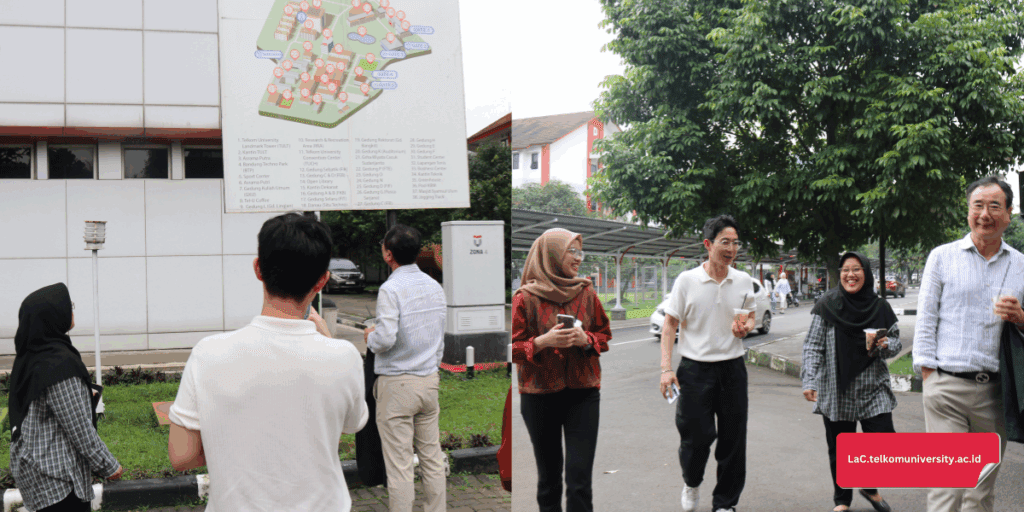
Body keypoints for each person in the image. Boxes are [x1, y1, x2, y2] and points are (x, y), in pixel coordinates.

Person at [167, 212, 368, 511]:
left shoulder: (209, 353)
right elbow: (346, 425)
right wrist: (326, 340)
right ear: (322, 280)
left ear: (258, 269)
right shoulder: (344, 356)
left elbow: (182, 456)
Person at [914, 176, 1024, 512]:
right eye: (978, 205)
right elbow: (925, 317)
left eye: (994, 206)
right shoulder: (942, 257)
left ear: (1008, 214)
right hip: (946, 387)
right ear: (968, 212)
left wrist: (1020, 317)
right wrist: (929, 375)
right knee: (946, 490)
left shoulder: (1021, 264)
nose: (985, 213)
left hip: (995, 392)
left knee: (980, 491)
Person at [659, 215, 753, 512]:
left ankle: (725, 503)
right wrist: (666, 369)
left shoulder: (743, 280)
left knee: (733, 441)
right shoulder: (687, 280)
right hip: (695, 369)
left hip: (733, 368)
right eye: (725, 242)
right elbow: (670, 324)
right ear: (708, 244)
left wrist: (746, 327)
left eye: (735, 242)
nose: (731, 248)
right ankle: (692, 481)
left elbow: (749, 314)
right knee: (695, 437)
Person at [512, 228, 611, 512]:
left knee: (580, 480)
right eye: (572, 251)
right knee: (549, 479)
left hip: (584, 393)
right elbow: (513, 349)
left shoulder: (586, 292)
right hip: (539, 395)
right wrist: (542, 342)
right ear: (553, 253)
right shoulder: (526, 297)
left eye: (580, 252)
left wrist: (587, 339)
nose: (578, 258)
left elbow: (604, 336)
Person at [9, 283, 123, 512]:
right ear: (53, 315)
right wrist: (109, 466)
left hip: (35, 471)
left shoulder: (33, 355)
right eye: (68, 306)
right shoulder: (59, 364)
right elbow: (80, 429)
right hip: (56, 478)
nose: (71, 310)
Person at [801, 252, 900, 512]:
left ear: (866, 274)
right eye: (845, 269)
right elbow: (813, 345)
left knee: (884, 441)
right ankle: (842, 501)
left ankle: (868, 485)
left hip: (872, 387)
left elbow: (896, 342)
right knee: (840, 448)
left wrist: (886, 345)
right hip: (836, 388)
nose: (850, 274)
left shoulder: (881, 308)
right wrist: (809, 380)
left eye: (857, 269)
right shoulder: (827, 304)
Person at [364, 224, 448, 512]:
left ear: (389, 254)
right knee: (432, 457)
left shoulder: (391, 289)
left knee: (399, 464)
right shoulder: (435, 286)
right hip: (429, 381)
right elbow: (439, 337)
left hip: (397, 384)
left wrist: (370, 337)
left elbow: (385, 339)